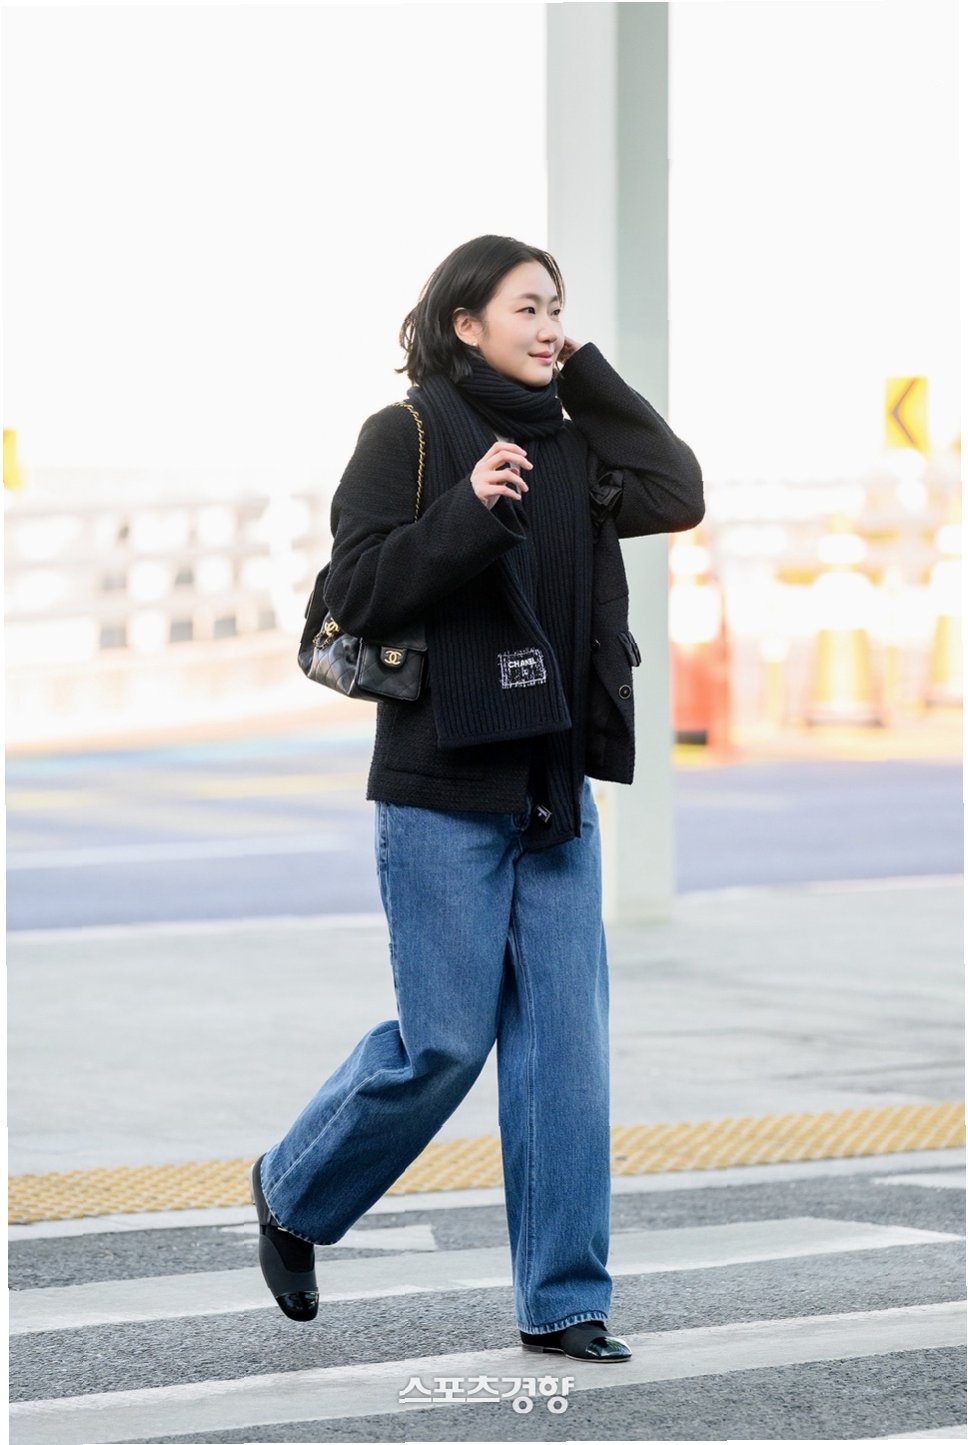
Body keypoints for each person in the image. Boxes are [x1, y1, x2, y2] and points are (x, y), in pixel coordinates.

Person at [250, 234, 704, 1363]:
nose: (548, 327)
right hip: (441, 791)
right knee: (444, 1045)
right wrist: (464, 508)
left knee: (564, 1059)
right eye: (527, 309)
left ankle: (565, 1300)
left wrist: (586, 372)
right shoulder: (405, 434)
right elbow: (353, 592)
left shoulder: (577, 442)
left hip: (552, 790)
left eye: (557, 309)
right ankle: (293, 1189)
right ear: (465, 323)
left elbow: (677, 490)